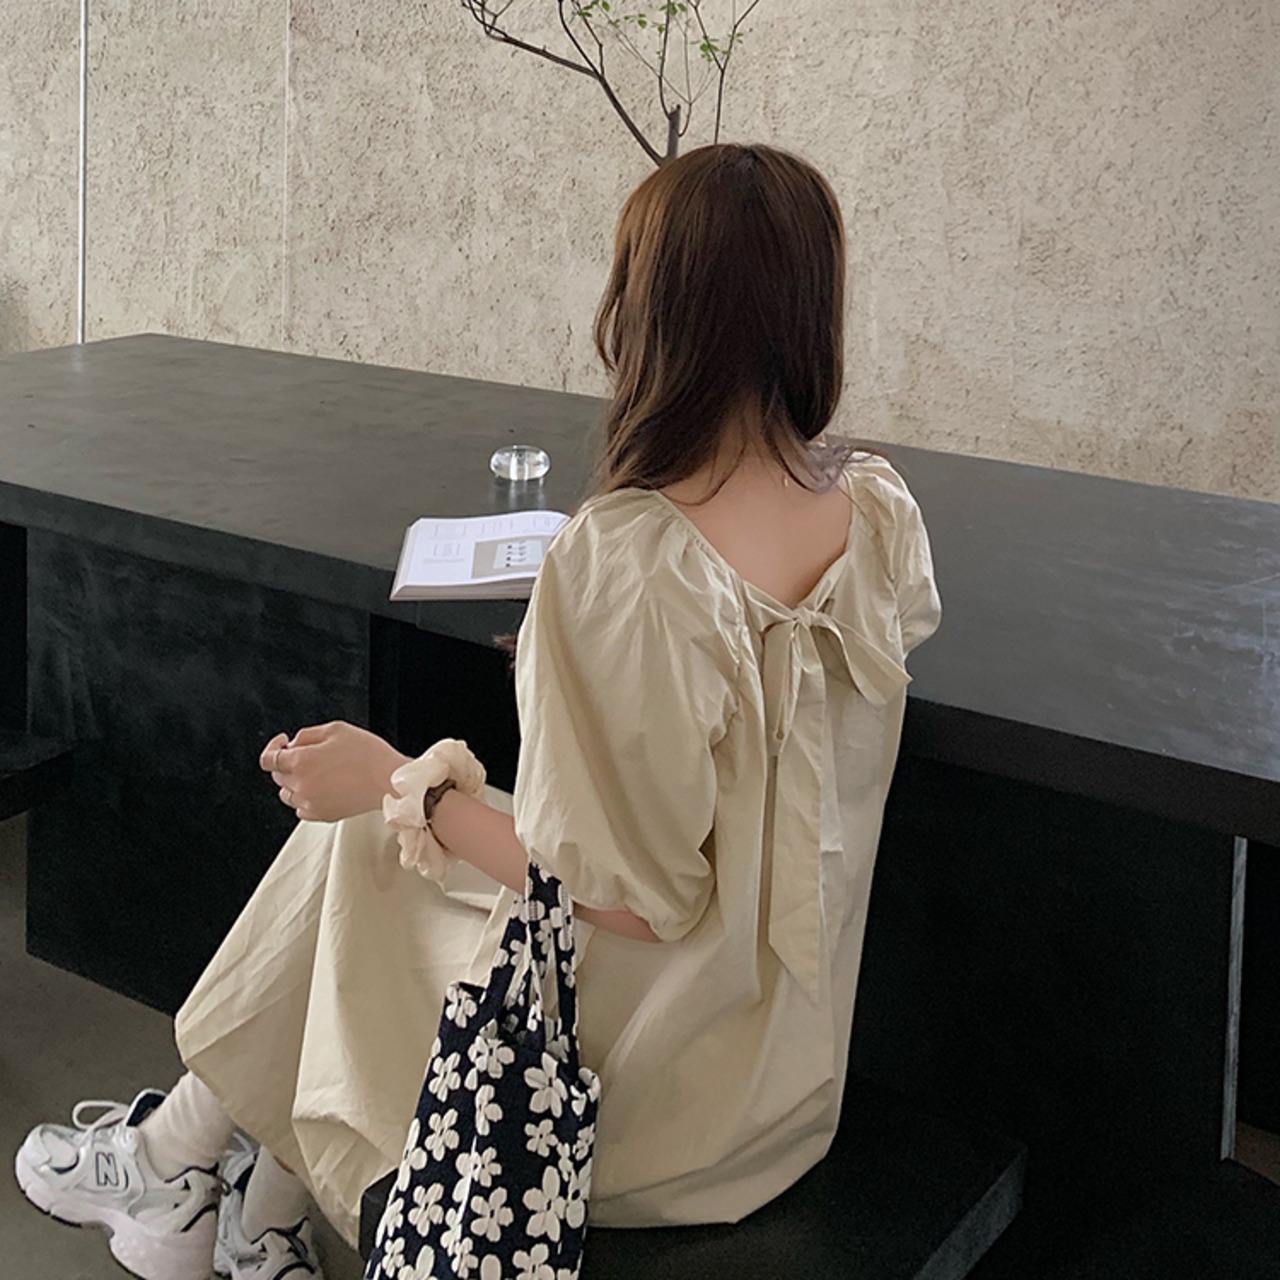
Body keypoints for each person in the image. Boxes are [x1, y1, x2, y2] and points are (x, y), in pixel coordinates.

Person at [15, 142, 940, 1280]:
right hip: (782, 1072)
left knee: (364, 840)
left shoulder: (632, 564)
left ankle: (177, 1165)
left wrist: (401, 785)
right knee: (389, 841)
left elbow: (627, 900)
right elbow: (742, 772)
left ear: (643, 313)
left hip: (640, 1101)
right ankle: (222, 1184)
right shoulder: (873, 508)